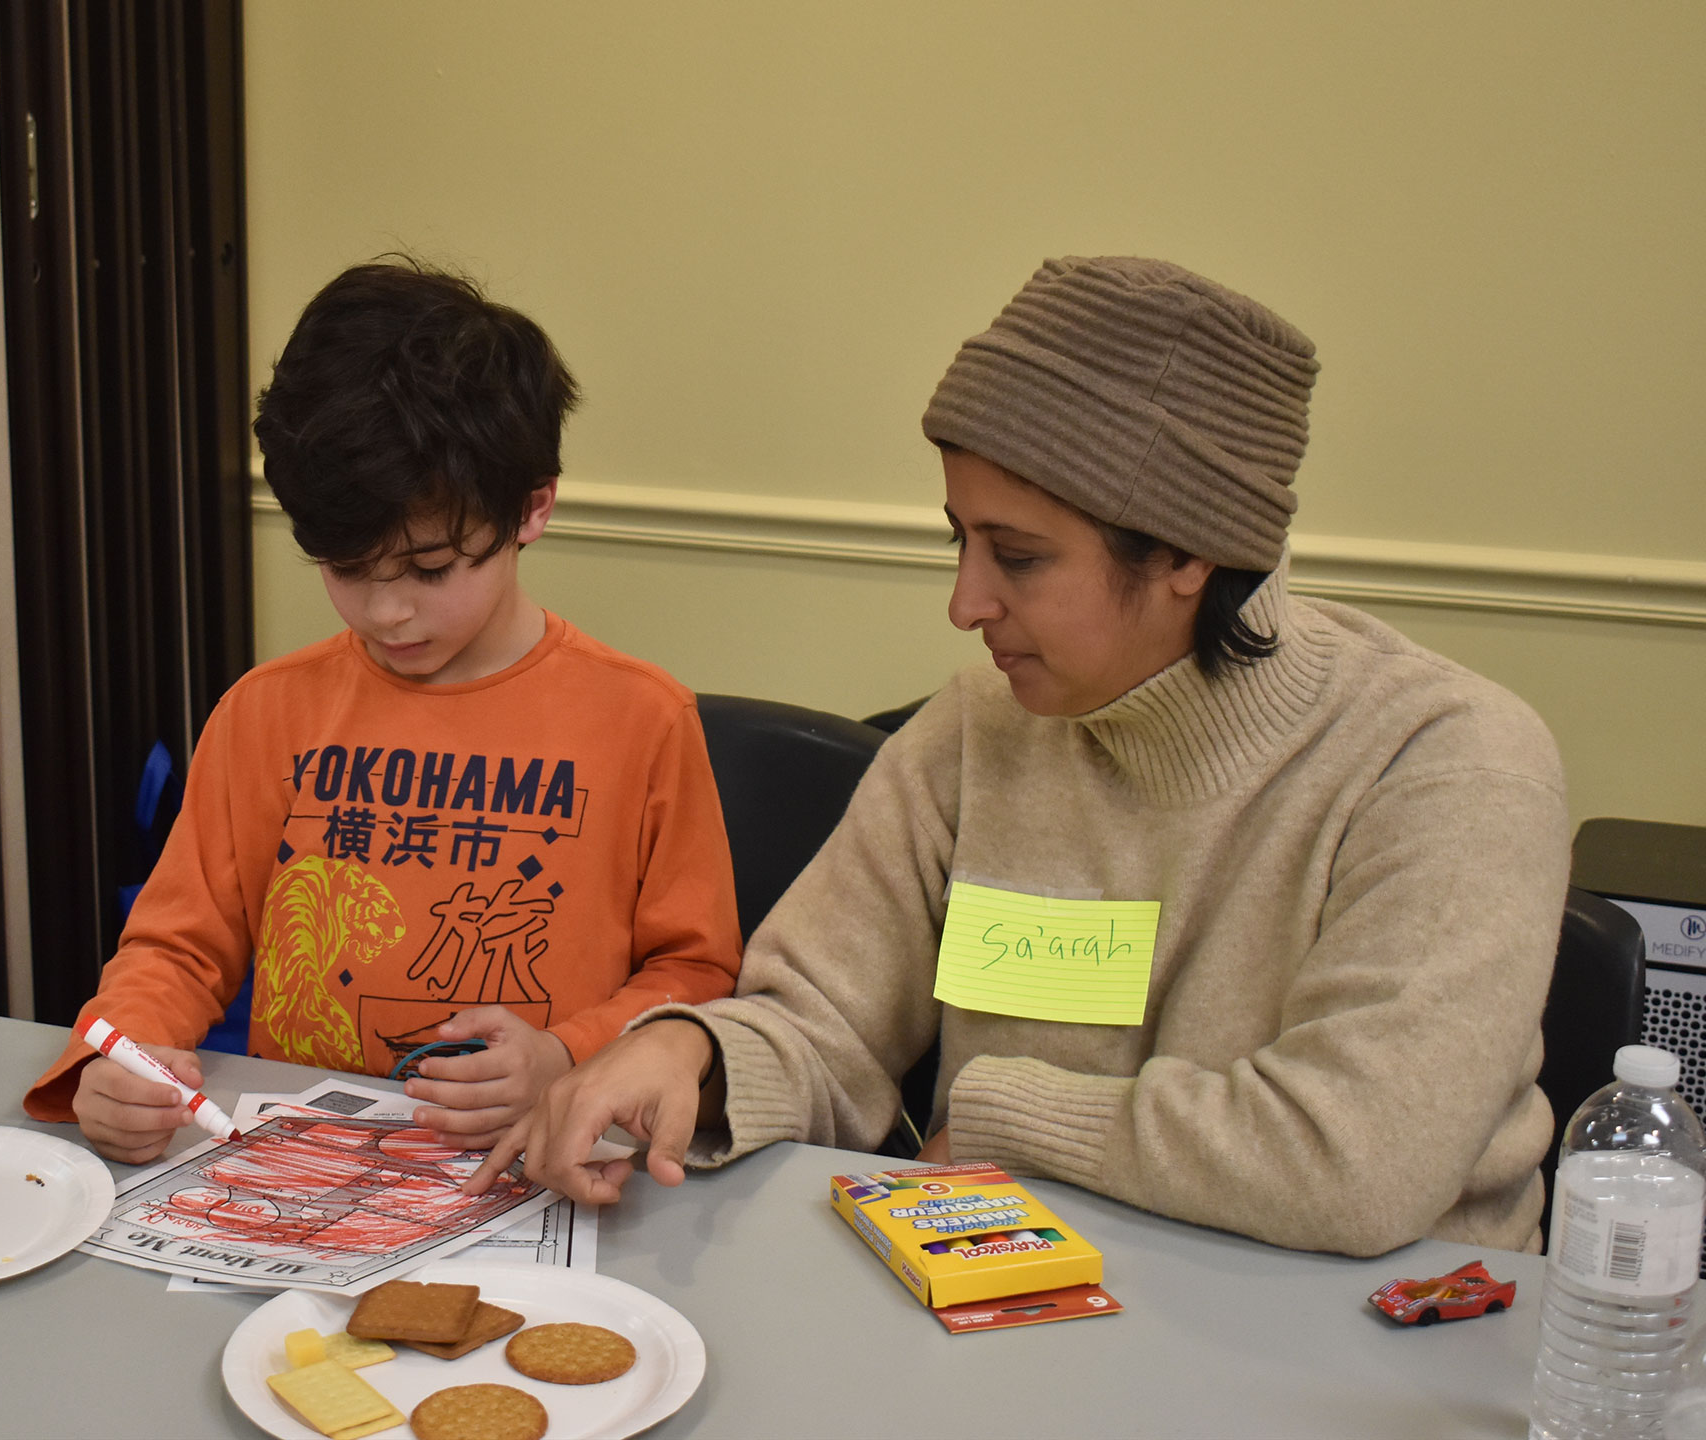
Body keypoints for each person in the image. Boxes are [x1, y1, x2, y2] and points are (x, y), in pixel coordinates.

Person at [469, 255, 1570, 1258]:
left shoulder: (1450, 768)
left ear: (1192, 552)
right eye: (962, 537)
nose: (964, 604)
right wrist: (693, 1061)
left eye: (1021, 557)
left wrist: (1000, 1116)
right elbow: (823, 1022)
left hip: (1375, 1349)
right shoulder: (980, 726)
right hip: (1017, 1310)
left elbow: (1350, 1164)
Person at [24, 259, 742, 1162]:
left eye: (431, 570)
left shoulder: (643, 720)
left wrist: (568, 1053)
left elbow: (696, 974)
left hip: (536, 1164)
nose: (385, 612)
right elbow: (175, 949)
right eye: (346, 569)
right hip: (309, 1167)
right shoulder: (266, 713)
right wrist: (118, 1057)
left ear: (532, 508)